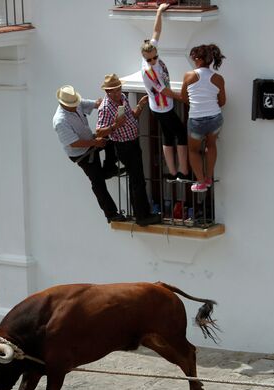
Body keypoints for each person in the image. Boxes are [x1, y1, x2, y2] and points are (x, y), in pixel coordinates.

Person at [53, 85, 126, 223]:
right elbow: (73, 143)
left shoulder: (76, 103)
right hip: (81, 153)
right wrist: (95, 143)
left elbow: (96, 104)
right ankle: (111, 214)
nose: (76, 106)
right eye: (72, 105)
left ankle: (109, 168)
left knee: (112, 140)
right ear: (63, 104)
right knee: (97, 182)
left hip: (90, 141)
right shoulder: (60, 121)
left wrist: (110, 102)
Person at [96, 73, 160, 226]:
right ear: (108, 92)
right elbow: (99, 132)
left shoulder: (122, 99)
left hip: (133, 143)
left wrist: (140, 105)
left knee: (136, 180)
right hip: (124, 146)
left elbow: (131, 116)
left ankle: (142, 214)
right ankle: (142, 216)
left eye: (119, 88)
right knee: (137, 181)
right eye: (115, 90)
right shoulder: (105, 108)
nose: (118, 92)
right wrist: (114, 126)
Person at [140, 3, 189, 181]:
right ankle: (183, 172)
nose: (153, 60)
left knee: (169, 135)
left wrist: (159, 11)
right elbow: (165, 91)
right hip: (162, 106)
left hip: (161, 105)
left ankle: (175, 173)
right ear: (145, 58)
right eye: (150, 59)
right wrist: (183, 98)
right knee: (181, 133)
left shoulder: (150, 49)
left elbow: (156, 32)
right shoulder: (149, 71)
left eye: (155, 57)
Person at [181, 44, 226, 193]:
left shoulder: (189, 76)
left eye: (194, 58)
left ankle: (200, 182)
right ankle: (208, 178)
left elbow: (183, 97)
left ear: (199, 59)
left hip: (196, 120)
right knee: (211, 145)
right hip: (215, 118)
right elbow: (222, 102)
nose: (193, 61)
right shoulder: (218, 78)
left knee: (193, 151)